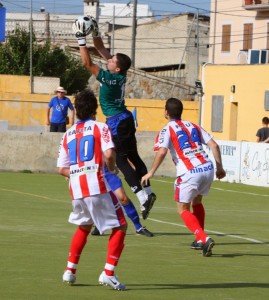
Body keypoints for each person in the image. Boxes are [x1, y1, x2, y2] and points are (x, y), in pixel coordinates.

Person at [72, 17, 156, 220]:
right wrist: (95, 31)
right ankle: (148, 192)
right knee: (134, 156)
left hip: (117, 121)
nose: (108, 60)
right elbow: (100, 48)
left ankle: (142, 197)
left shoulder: (109, 77)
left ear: (116, 68)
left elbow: (87, 62)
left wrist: (80, 38)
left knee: (120, 158)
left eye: (111, 60)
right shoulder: (119, 73)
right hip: (126, 117)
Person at [57, 89, 127, 290]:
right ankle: (108, 273)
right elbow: (109, 153)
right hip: (97, 185)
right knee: (121, 226)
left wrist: (79, 172)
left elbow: (61, 168)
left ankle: (70, 271)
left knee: (84, 226)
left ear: (76, 111)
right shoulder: (100, 127)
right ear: (94, 109)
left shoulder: (67, 135)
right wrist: (112, 170)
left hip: (76, 189)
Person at [141, 98, 226, 257]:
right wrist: (219, 167)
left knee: (182, 209)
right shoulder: (194, 125)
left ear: (166, 112)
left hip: (190, 172)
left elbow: (162, 151)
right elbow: (214, 145)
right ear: (181, 111)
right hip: (207, 167)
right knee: (197, 202)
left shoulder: (167, 130)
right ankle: (200, 240)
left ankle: (203, 238)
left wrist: (151, 172)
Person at [91, 165, 153, 237]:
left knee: (123, 198)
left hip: (107, 172)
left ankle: (138, 227)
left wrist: (112, 165)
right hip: (92, 174)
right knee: (99, 200)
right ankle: (99, 225)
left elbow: (109, 155)